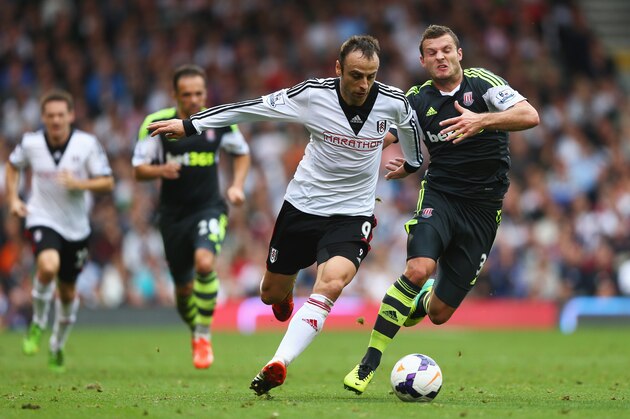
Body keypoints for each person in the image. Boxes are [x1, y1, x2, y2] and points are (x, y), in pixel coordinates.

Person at [147, 35, 423, 394]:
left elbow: (412, 135)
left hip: (353, 213)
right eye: (356, 75)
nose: (363, 85)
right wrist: (191, 125)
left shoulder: (393, 102)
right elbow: (252, 108)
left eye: (371, 76)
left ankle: (278, 362)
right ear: (338, 69)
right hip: (303, 208)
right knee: (269, 292)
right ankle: (284, 294)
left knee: (332, 283)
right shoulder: (311, 95)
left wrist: (410, 164)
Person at [343, 24, 540, 394]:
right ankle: (369, 361)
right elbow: (382, 137)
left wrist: (480, 119)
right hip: (440, 197)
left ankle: (420, 299)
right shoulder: (416, 99)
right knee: (418, 268)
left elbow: (529, 115)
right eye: (431, 53)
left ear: (459, 53)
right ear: (422, 60)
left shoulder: (484, 86)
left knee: (438, 314)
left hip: (483, 209)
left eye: (446, 50)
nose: (440, 57)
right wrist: (399, 161)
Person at [132, 64, 250, 369]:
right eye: (187, 94)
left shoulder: (220, 120)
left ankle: (203, 334)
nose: (195, 99)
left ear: (205, 92)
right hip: (171, 215)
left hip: (209, 207)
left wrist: (236, 185)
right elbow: (138, 169)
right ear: (175, 95)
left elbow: (242, 152)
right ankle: (194, 327)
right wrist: (160, 170)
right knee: (183, 291)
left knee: (205, 262)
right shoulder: (156, 122)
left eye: (199, 93)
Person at [6, 89, 114, 372]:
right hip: (42, 217)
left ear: (71, 115)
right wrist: (14, 199)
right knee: (47, 264)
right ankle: (38, 324)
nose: (55, 120)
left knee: (67, 293)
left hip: (76, 228)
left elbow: (107, 182)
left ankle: (57, 345)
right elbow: (13, 166)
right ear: (43, 117)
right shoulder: (31, 143)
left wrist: (81, 185)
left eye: (60, 115)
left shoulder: (86, 144)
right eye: (50, 115)